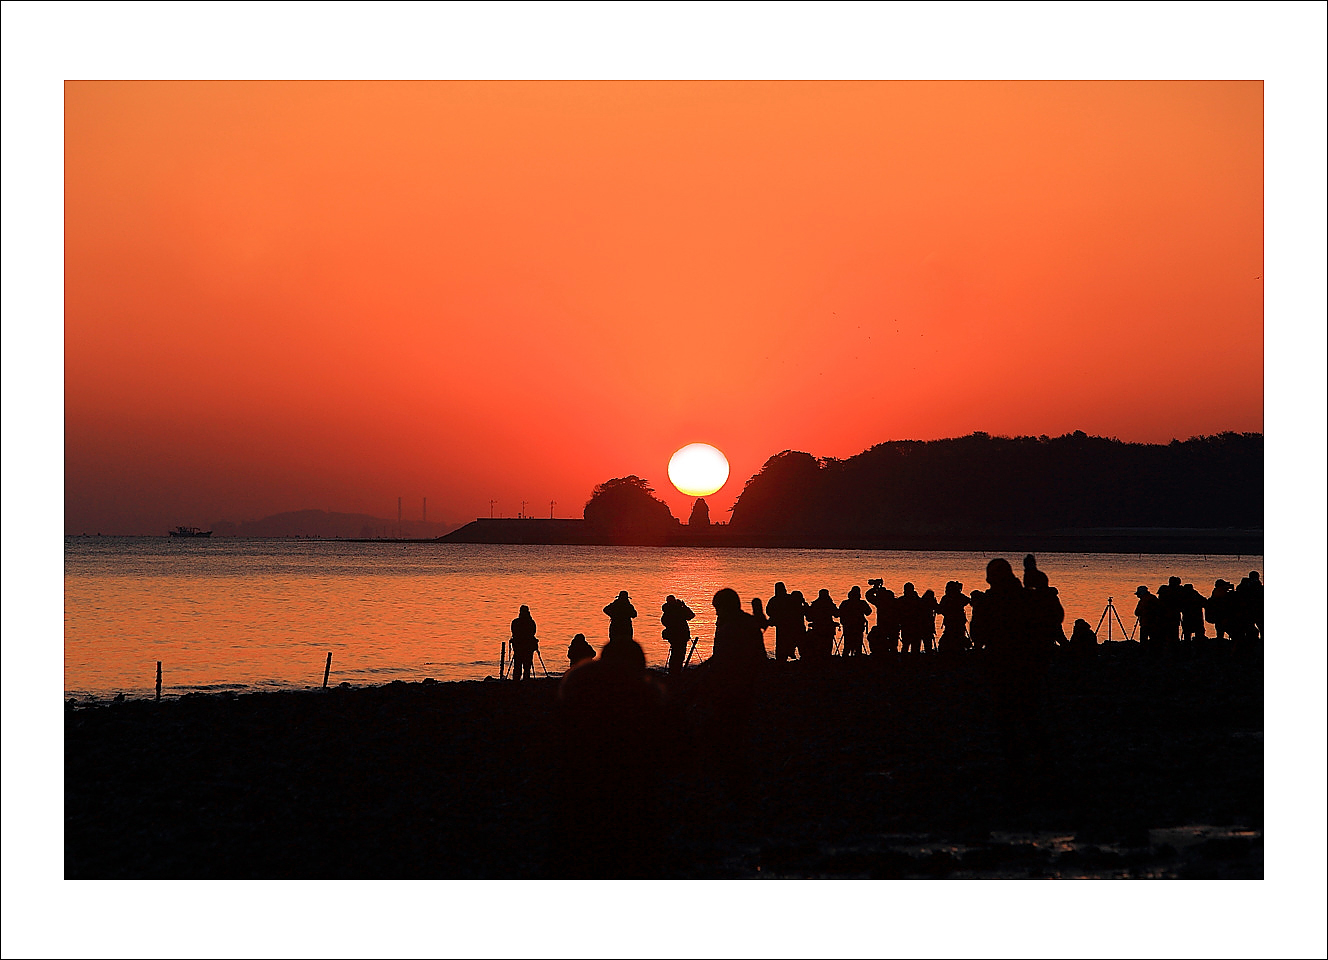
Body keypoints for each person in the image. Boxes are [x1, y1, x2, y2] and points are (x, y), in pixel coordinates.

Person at [660, 594, 695, 676]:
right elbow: (691, 615)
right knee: (679, 654)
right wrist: (683, 606)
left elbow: (664, 622)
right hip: (680, 636)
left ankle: (673, 671)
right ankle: (675, 672)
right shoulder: (678, 610)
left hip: (674, 636)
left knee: (675, 654)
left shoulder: (667, 611)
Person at [766, 582, 800, 663]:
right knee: (788, 641)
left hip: (781, 625)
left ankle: (781, 659)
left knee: (781, 642)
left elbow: (768, 611)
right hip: (789, 624)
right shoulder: (789, 598)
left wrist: (776, 616)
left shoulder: (774, 600)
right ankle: (787, 655)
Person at [936, 580, 971, 655]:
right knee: (958, 639)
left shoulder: (947, 598)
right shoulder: (959, 597)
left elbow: (939, 610)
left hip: (952, 624)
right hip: (957, 623)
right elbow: (967, 600)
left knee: (951, 639)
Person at [838, 586, 872, 657]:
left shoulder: (845, 603)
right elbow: (868, 612)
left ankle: (845, 659)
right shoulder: (862, 603)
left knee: (847, 643)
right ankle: (857, 658)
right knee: (858, 644)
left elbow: (839, 613)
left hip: (848, 626)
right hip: (858, 626)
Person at [806, 589, 839, 661]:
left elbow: (809, 618)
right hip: (828, 628)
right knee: (828, 644)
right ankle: (827, 658)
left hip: (817, 628)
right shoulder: (829, 604)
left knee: (818, 644)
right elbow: (836, 614)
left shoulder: (815, 604)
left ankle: (819, 659)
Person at [510, 605, 539, 680]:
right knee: (526, 667)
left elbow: (514, 633)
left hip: (519, 647)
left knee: (517, 666)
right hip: (527, 647)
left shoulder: (515, 622)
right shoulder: (531, 622)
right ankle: (525, 681)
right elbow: (533, 633)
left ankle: (516, 681)